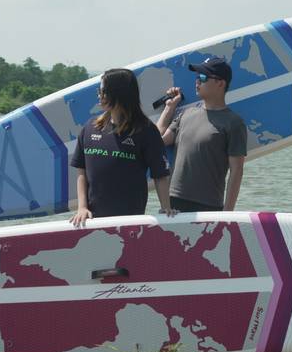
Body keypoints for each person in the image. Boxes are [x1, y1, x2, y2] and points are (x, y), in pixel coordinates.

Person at [70, 68, 173, 226]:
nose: (99, 95)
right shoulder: (90, 128)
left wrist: (166, 208)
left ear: (118, 94)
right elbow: (81, 172)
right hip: (93, 221)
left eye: (103, 91)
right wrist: (82, 207)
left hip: (130, 224)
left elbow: (160, 175)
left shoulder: (146, 131)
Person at [156, 57, 247, 212]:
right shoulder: (186, 113)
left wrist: (227, 214)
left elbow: (236, 170)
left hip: (208, 206)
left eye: (203, 77)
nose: (197, 81)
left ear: (220, 83)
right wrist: (169, 107)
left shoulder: (233, 123)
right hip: (173, 204)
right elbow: (158, 141)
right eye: (197, 77)